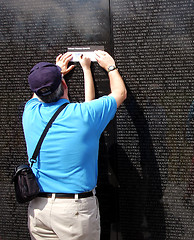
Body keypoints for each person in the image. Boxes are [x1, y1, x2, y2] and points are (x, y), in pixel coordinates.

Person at [23, 51, 127, 239]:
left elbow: (38, 92)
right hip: (73, 212)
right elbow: (120, 93)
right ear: (63, 84)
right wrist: (110, 66)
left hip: (38, 210)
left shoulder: (29, 113)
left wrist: (59, 72)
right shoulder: (84, 115)